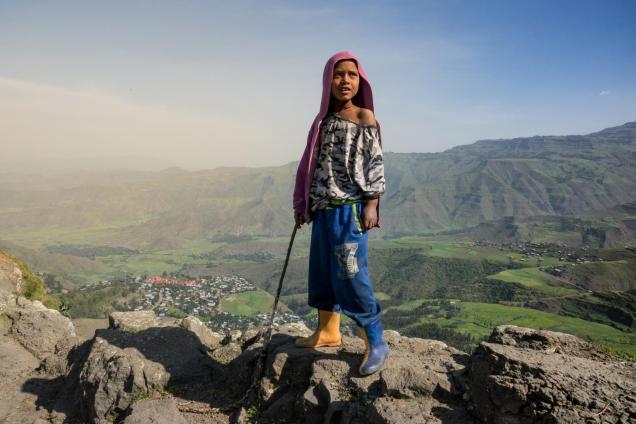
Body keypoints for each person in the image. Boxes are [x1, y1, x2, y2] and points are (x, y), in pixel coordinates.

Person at [292, 51, 388, 376]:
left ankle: (376, 341)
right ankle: (328, 332)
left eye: (351, 74)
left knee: (351, 275)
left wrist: (372, 204)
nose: (345, 80)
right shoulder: (322, 123)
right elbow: (308, 166)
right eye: (338, 74)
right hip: (322, 212)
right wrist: (302, 205)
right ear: (327, 81)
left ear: (360, 80)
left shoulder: (365, 118)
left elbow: (374, 165)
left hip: (349, 213)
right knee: (321, 273)